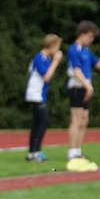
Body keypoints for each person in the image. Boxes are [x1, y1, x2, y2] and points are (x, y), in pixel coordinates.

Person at [66, 20, 100, 163]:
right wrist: (87, 85)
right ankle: (71, 152)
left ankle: (78, 151)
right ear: (81, 34)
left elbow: (99, 65)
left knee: (84, 120)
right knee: (76, 120)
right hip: (77, 87)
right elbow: (76, 70)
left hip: (85, 87)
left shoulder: (86, 51)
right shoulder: (73, 49)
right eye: (89, 37)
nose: (91, 40)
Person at [24, 34, 63, 162]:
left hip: (39, 95)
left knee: (37, 124)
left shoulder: (45, 58)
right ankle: (36, 152)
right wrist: (56, 61)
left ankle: (32, 153)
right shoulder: (39, 58)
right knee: (44, 121)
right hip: (35, 95)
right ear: (51, 46)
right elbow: (46, 77)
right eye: (57, 47)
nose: (58, 50)